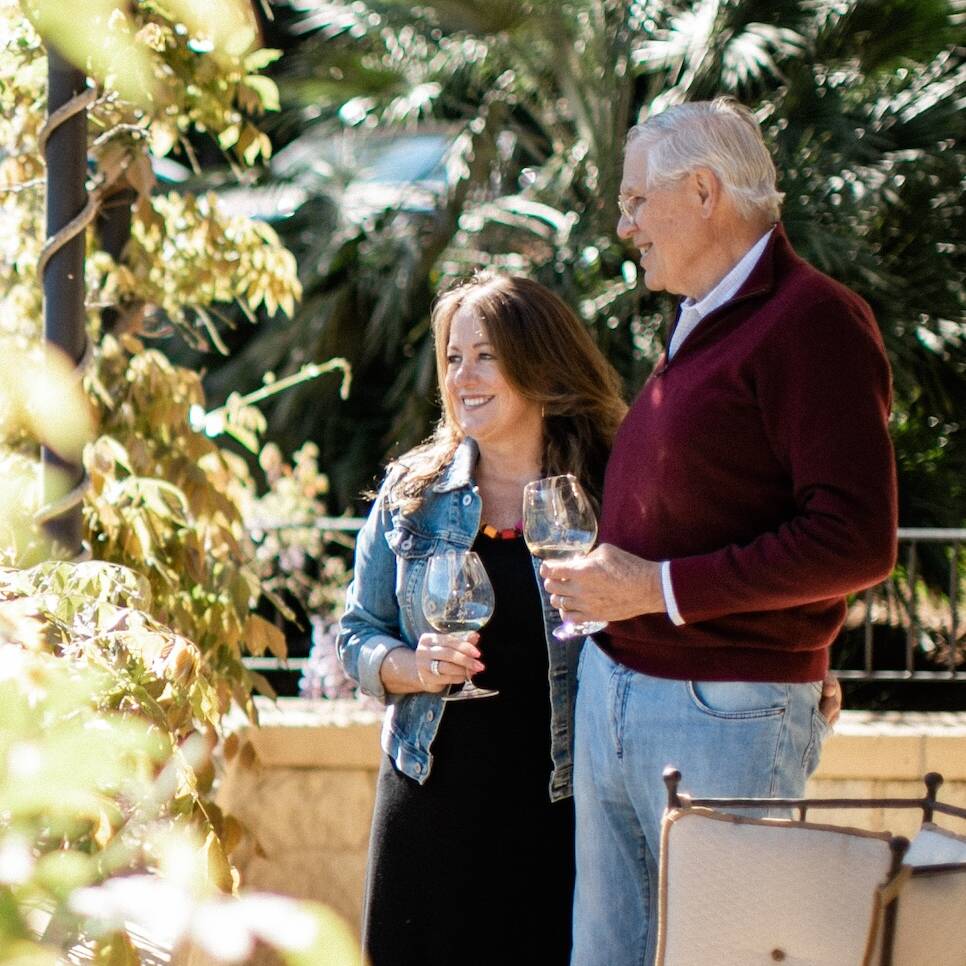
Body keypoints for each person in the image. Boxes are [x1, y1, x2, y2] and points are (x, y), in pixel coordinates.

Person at [540, 98, 898, 966]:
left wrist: (657, 589)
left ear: (702, 191)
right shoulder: (702, 311)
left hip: (720, 713)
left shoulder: (816, 321)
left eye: (635, 202)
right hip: (624, 688)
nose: (624, 226)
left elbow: (855, 540)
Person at [338, 273, 626, 966]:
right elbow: (356, 633)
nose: (464, 374)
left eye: (487, 355)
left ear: (540, 361)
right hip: (430, 797)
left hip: (563, 805)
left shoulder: (610, 489)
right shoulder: (413, 494)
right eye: (454, 357)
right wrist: (411, 667)